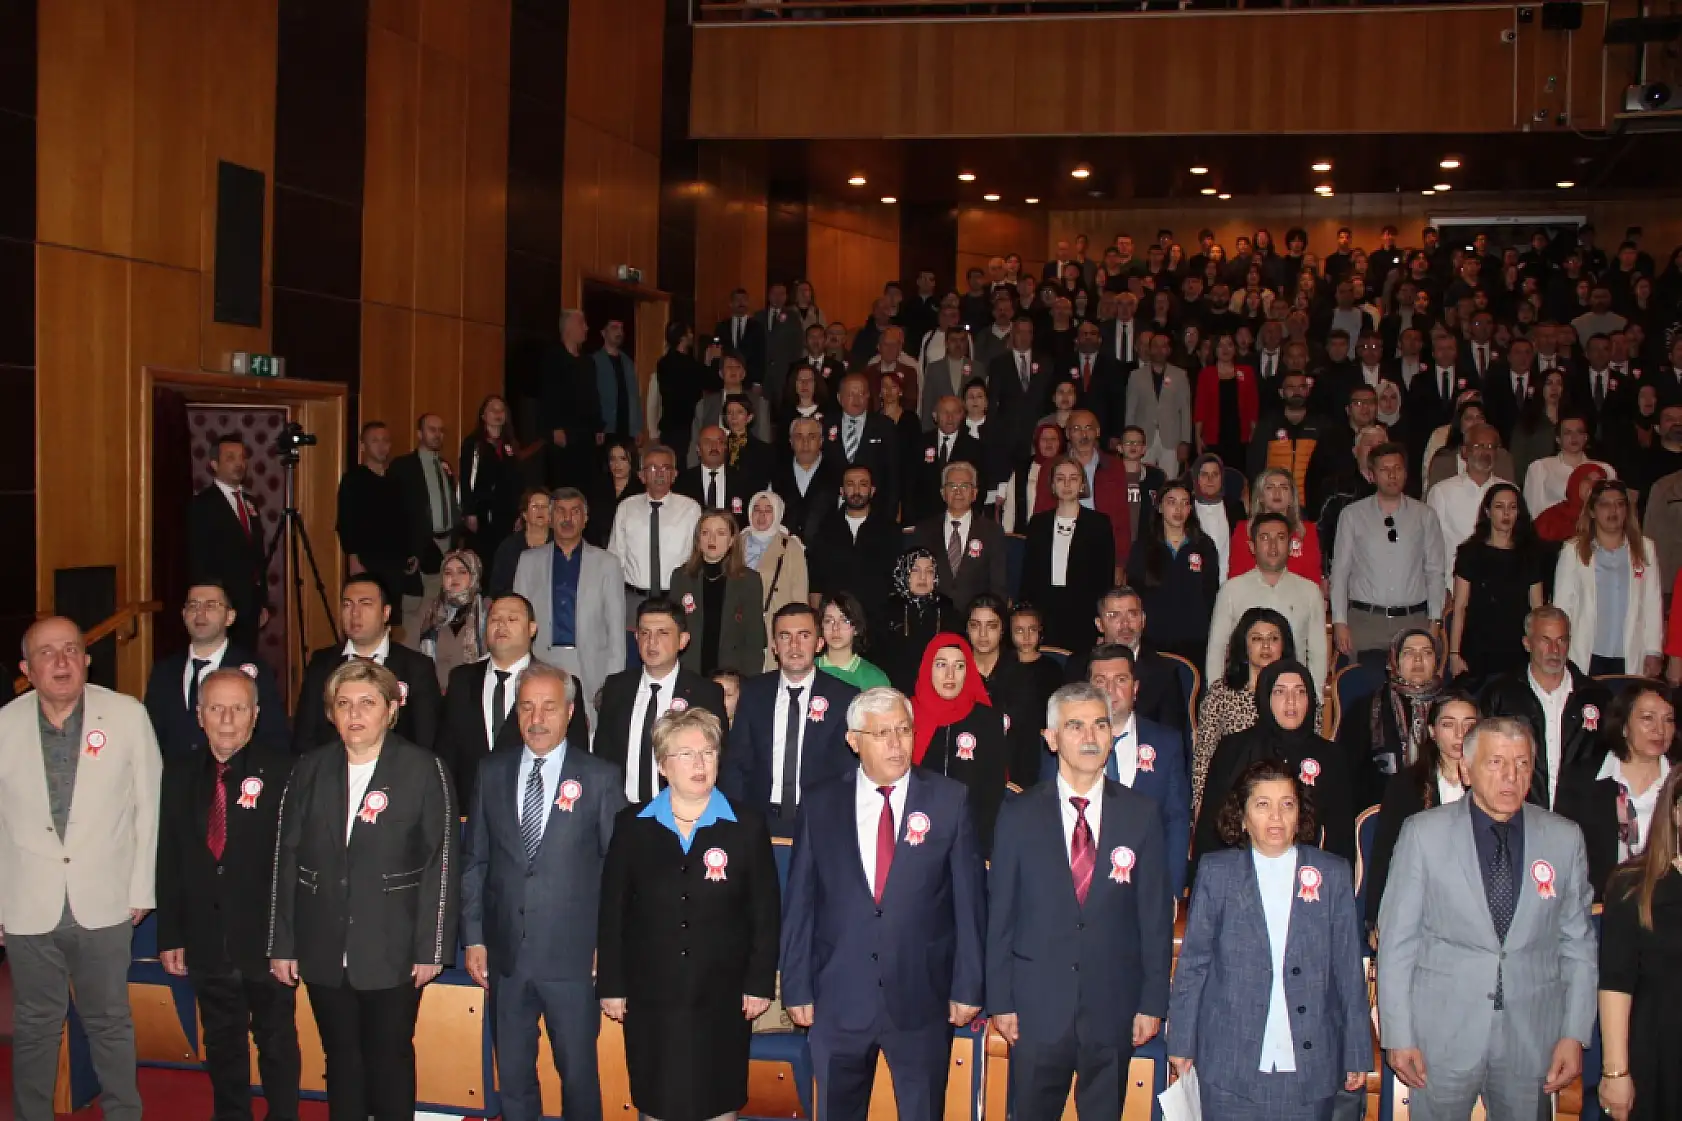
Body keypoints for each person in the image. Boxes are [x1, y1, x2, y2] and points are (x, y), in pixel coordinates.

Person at [779, 686, 985, 1121]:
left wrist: (968, 986)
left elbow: (969, 903)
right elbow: (801, 900)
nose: (896, 743)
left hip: (921, 999)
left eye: (903, 730)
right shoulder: (820, 803)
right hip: (838, 999)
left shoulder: (949, 800)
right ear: (854, 740)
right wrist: (796, 985)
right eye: (882, 733)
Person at [1376, 717, 1597, 1121]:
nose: (1511, 776)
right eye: (1495, 762)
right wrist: (1397, 1034)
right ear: (1466, 769)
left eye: (1523, 763)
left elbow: (1578, 944)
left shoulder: (1564, 839)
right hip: (1440, 1037)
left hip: (1532, 1038)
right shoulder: (1423, 834)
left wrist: (1574, 1033)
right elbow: (1396, 942)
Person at [267, 659, 458, 1121]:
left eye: (367, 703)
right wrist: (282, 943)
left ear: (391, 710)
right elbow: (286, 856)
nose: (354, 714)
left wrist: (432, 947)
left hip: (392, 944)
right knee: (341, 1060)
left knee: (389, 1057)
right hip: (322, 943)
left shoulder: (421, 769)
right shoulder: (309, 769)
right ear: (331, 712)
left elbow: (441, 862)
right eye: (344, 703)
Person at [988, 682, 1174, 1121]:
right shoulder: (1018, 814)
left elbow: (1153, 917)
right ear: (1051, 739)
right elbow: (1000, 915)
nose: (1090, 737)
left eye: (1099, 725)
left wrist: (1152, 1003)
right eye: (1075, 726)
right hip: (1036, 1011)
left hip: (1112, 1008)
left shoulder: (1141, 814)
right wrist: (1001, 999)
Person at [0, 617, 161, 1121]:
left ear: (87, 659)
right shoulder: (3, 724)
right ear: (27, 669)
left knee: (110, 1023)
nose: (62, 661)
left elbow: (148, 808)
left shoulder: (127, 715)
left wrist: (142, 889)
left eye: (71, 649)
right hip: (27, 905)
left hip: (107, 900)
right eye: (47, 653)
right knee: (34, 1026)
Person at [598, 706, 780, 1121]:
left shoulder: (746, 826)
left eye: (708, 752)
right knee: (656, 1100)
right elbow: (613, 913)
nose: (700, 764)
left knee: (718, 1101)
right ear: (663, 765)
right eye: (686, 754)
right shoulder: (632, 826)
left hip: (723, 995)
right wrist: (612, 983)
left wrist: (758, 982)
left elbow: (766, 912)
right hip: (651, 997)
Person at [460, 661, 624, 1121]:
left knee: (578, 1080)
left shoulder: (599, 777)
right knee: (511, 1079)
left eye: (549, 707)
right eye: (527, 706)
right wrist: (474, 935)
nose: (536, 718)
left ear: (570, 712)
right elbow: (476, 861)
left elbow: (619, 873)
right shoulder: (491, 772)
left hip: (573, 962)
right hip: (506, 959)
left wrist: (608, 948)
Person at [1170, 759, 1371, 1121]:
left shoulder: (1331, 873)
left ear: (1300, 814)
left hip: (1310, 1064)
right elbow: (1194, 964)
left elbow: (1347, 969)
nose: (1276, 817)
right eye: (1262, 804)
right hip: (1229, 1062)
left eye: (1287, 804)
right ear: (1243, 817)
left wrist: (1357, 1049)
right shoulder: (1217, 873)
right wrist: (1182, 1041)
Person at [155, 669, 299, 1121]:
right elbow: (170, 857)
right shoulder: (177, 775)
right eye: (216, 708)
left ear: (255, 715)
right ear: (200, 716)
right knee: (220, 1042)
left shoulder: (285, 772)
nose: (228, 719)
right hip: (205, 939)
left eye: (239, 708)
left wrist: (289, 940)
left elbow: (296, 864)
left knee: (276, 1042)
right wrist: (170, 934)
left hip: (266, 942)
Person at [1194, 659, 1355, 871]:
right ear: (1265, 697)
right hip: (1240, 871)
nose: (1291, 701)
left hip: (1308, 875)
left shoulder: (1331, 755)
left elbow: (1341, 838)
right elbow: (1211, 827)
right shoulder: (1234, 748)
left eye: (1300, 692)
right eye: (1280, 692)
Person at [437, 593, 588, 810]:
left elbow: (576, 757)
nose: (501, 625)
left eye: (512, 619)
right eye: (495, 619)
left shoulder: (557, 683)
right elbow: (446, 752)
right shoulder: (461, 680)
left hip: (534, 811)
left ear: (532, 628)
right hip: (469, 813)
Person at [1069, 644, 1193, 900]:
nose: (1110, 690)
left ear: (1135, 689)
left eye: (1120, 680)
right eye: (1101, 680)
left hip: (1147, 890)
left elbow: (1176, 820)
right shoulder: (1065, 743)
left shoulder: (1166, 744)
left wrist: (1170, 892)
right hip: (1081, 891)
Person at [722, 603, 859, 832]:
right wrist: (738, 819)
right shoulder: (754, 693)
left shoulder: (844, 697)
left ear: (819, 643)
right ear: (774, 646)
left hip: (821, 820)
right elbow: (736, 762)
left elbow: (847, 771)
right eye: (785, 637)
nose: (794, 645)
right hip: (760, 819)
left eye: (804, 636)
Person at [1596, 766, 1682, 1121]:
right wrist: (1615, 1072)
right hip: (1657, 1057)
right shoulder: (1633, 886)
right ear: (1675, 812)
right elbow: (1616, 982)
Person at [592, 598, 728, 805]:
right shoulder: (617, 687)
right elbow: (603, 753)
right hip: (621, 810)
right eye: (645, 633)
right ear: (636, 637)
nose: (651, 642)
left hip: (680, 811)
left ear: (682, 640)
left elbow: (719, 758)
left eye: (662, 633)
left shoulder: (705, 693)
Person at [512, 486, 624, 726]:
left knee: (589, 736)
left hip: (591, 664)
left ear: (585, 518)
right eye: (560, 512)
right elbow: (518, 622)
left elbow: (616, 631)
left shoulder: (607, 564)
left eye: (575, 512)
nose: (567, 518)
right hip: (542, 658)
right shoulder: (528, 561)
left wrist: (613, 683)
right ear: (551, 518)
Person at [292, 575, 441, 755]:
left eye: (365, 604)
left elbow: (426, 740)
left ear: (386, 613)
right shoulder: (322, 663)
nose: (355, 613)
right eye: (347, 605)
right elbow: (304, 736)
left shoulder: (416, 667)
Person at [1365, 691, 1477, 929]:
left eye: (1469, 725)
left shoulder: (1490, 786)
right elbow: (1385, 853)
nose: (1460, 734)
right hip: (1421, 906)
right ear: (1432, 732)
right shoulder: (1406, 785)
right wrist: (1376, 918)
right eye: (1449, 725)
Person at [1555, 682, 1676, 901]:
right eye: (1648, 718)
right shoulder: (1583, 779)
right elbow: (1561, 855)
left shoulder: (1677, 782)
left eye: (1668, 719)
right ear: (1623, 726)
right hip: (1599, 906)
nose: (1660, 729)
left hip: (1668, 906)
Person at [1330, 442, 1446, 658]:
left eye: (1398, 469)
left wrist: (1435, 620)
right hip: (1366, 622)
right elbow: (1340, 571)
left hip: (1413, 619)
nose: (1392, 475)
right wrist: (1339, 621)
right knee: (1364, 687)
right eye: (1385, 470)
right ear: (1371, 475)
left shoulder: (1425, 515)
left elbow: (1435, 570)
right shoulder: (1352, 515)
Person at [143, 581, 288, 755]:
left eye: (211, 606)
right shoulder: (164, 671)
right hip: (176, 777)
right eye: (193, 605)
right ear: (183, 614)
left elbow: (273, 736)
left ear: (230, 617)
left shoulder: (253, 670)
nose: (200, 614)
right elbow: (150, 736)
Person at [1205, 512, 1329, 692]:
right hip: (1242, 696)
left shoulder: (1310, 592)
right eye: (1264, 538)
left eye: (1280, 538)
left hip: (1291, 699)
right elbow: (1217, 650)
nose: (1273, 546)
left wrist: (1313, 701)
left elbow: (1318, 654)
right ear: (1252, 546)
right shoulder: (1231, 590)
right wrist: (1215, 696)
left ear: (1290, 545)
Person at [910, 634, 1010, 855]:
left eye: (959, 666)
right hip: (914, 836)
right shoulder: (906, 716)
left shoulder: (986, 719)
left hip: (970, 840)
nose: (950, 675)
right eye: (941, 665)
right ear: (928, 668)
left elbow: (992, 792)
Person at [1554, 479, 1665, 677]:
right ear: (1592, 511)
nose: (1613, 510)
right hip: (1586, 653)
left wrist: (1653, 650)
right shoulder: (1573, 551)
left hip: (1629, 653)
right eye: (1605, 504)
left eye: (1620, 504)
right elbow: (1562, 606)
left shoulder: (1645, 548)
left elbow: (1652, 602)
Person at [1192, 607, 1294, 813]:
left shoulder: (1298, 694)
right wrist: (1200, 805)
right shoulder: (1221, 692)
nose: (1266, 645)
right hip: (1230, 797)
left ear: (1284, 645)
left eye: (1273, 638)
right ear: (1244, 645)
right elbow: (1204, 755)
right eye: (1257, 638)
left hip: (1285, 797)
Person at [1447, 482, 1546, 685]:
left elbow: (1537, 609)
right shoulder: (1470, 552)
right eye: (1499, 507)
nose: (1506, 513)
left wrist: (1538, 650)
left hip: (1517, 648)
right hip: (1477, 647)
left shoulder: (1530, 554)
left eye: (1512, 507)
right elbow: (1460, 607)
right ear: (1487, 511)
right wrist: (1454, 654)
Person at [1018, 457, 1116, 657]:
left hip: (1083, 613)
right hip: (1044, 611)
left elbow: (1105, 578)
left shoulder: (1099, 524)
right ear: (1053, 485)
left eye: (1073, 478)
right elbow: (1028, 574)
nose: (1067, 484)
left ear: (1082, 484)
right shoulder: (1038, 524)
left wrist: (1103, 622)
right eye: (1060, 478)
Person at [1337, 628, 1445, 810]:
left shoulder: (1450, 706)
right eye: (1409, 653)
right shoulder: (1366, 709)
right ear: (1394, 661)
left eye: (1426, 653)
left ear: (1436, 662)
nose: (1418, 660)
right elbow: (1347, 774)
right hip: (1381, 808)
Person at [1064, 585, 1189, 735]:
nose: (1125, 624)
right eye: (1114, 615)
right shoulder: (1078, 665)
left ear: (1143, 620)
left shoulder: (1165, 672)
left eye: (1132, 614)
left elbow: (1171, 736)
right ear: (1099, 624)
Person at [187, 433, 269, 651]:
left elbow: (257, 555)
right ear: (214, 464)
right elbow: (199, 558)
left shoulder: (250, 503)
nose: (239, 464)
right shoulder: (202, 504)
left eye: (242, 458)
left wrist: (262, 601)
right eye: (230, 458)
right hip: (222, 601)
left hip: (250, 604)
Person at [608, 444, 703, 630]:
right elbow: (615, 558)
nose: (659, 473)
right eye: (652, 468)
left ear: (674, 474)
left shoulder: (691, 509)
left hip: (676, 598)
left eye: (665, 468)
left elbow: (698, 557)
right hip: (635, 599)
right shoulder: (627, 507)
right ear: (642, 475)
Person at [1125, 481, 1220, 663]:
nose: (1178, 509)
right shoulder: (1143, 547)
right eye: (1172, 502)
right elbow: (1134, 594)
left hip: (1195, 641)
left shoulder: (1204, 546)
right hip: (1153, 640)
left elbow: (1211, 594)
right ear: (1160, 507)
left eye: (1184, 503)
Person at [389, 413, 462, 643]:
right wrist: (408, 549)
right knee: (415, 611)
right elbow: (396, 512)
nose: (438, 434)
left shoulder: (445, 466)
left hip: (446, 544)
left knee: (440, 609)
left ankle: (432, 659)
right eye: (432, 429)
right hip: (419, 547)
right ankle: (409, 659)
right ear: (419, 434)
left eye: (441, 430)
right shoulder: (403, 466)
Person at [668, 510, 766, 679]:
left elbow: (754, 639)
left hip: (731, 674)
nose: (712, 540)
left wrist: (750, 681)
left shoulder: (749, 580)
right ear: (698, 540)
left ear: (732, 540)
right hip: (689, 671)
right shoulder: (680, 577)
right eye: (706, 533)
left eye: (720, 533)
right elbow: (672, 630)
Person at [806, 465, 901, 630]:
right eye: (850, 484)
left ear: (872, 490)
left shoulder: (889, 530)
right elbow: (816, 581)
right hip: (835, 621)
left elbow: (896, 579)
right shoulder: (825, 529)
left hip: (878, 623)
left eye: (863, 484)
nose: (856, 490)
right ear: (842, 491)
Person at [910, 460, 1008, 614]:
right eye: (952, 486)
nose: (958, 492)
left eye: (964, 486)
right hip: (933, 617)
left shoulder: (992, 532)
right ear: (943, 493)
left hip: (975, 621)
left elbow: (998, 586)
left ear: (974, 493)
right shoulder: (924, 530)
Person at [337, 420, 412, 610]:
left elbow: (405, 518)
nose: (381, 446)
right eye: (375, 441)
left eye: (385, 441)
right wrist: (353, 558)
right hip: (367, 560)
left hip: (394, 560)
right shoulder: (353, 480)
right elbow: (346, 522)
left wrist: (409, 552)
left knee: (391, 615)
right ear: (363, 446)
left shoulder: (396, 479)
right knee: (367, 612)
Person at [739, 490, 808, 670]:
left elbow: (799, 593)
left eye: (768, 510)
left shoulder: (790, 546)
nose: (761, 516)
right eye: (757, 509)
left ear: (778, 513)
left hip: (773, 622)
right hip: (739, 622)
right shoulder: (737, 542)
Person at [877, 548, 959, 694]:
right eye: (915, 570)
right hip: (895, 689)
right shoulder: (889, 609)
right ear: (904, 573)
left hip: (937, 688)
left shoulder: (947, 608)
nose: (923, 577)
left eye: (929, 571)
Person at [822, 373, 902, 520]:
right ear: (840, 398)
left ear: (869, 396)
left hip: (876, 511)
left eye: (862, 393)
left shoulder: (885, 426)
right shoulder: (824, 425)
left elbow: (893, 473)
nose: (857, 399)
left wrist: (891, 512)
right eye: (851, 394)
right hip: (831, 511)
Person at [458, 395, 525, 570]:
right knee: (484, 560)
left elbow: (518, 481)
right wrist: (469, 511)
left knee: (506, 560)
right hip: (482, 514)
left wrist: (520, 511)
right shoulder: (473, 444)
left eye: (501, 410)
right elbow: (466, 480)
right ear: (483, 416)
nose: (498, 413)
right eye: (492, 409)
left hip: (507, 513)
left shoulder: (510, 445)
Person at [1229, 467, 1323, 584]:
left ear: (1291, 498)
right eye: (1270, 487)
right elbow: (1235, 578)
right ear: (1261, 497)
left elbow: (1313, 579)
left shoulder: (1306, 531)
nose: (1277, 492)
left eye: (1284, 488)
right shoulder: (1244, 530)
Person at [544, 308, 604, 489]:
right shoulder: (554, 357)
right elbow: (548, 394)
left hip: (586, 433)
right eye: (582, 323)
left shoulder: (588, 362)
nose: (586, 328)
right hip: (565, 432)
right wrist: (554, 427)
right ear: (569, 327)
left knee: (586, 483)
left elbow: (594, 395)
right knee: (564, 482)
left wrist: (598, 426)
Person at [416, 549, 486, 689]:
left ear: (474, 575)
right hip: (433, 694)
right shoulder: (429, 612)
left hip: (474, 694)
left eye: (462, 572)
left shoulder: (486, 614)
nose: (454, 578)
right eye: (448, 573)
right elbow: (414, 659)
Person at [1128, 330, 1193, 474]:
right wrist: (1129, 439)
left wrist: (1185, 441)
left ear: (1169, 350)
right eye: (1155, 346)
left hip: (1171, 439)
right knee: (1142, 478)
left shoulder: (1180, 375)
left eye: (1163, 346)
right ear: (1149, 349)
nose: (1159, 350)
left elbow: (1185, 410)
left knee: (1169, 480)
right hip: (1143, 438)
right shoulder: (1136, 376)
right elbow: (1130, 410)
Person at [771, 416, 843, 544]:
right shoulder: (776, 473)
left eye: (812, 437)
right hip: (785, 552)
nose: (805, 443)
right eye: (799, 437)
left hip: (826, 552)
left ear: (821, 441)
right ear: (790, 441)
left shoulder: (837, 474)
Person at [816, 592, 892, 692]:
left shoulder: (874, 678)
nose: (835, 628)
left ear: (856, 628)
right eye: (828, 621)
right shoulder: (807, 670)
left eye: (845, 621)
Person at [1000, 422, 1065, 534]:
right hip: (1027, 534)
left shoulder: (1068, 468)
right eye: (1044, 439)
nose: (1049, 443)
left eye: (1053, 439)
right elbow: (1010, 507)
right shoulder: (1022, 470)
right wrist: (1008, 536)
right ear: (1037, 443)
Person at [490, 487, 553, 597]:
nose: (540, 510)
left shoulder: (562, 545)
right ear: (524, 514)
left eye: (545, 507)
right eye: (535, 506)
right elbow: (498, 587)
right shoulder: (509, 547)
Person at [587, 436, 643, 550]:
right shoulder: (597, 487)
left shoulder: (641, 490)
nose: (617, 465)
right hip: (597, 549)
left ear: (632, 460)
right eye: (613, 459)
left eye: (623, 459)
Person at [678, 425, 749, 515]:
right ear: (698, 449)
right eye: (707, 442)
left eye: (719, 441)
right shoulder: (682, 482)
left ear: (726, 447)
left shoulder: (742, 480)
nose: (714, 447)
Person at [593, 318, 642, 443]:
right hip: (606, 429)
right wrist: (597, 427)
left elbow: (634, 397)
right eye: (614, 328)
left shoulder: (628, 362)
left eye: (621, 328)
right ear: (603, 333)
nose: (619, 332)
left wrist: (636, 428)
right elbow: (592, 397)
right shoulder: (595, 361)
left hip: (626, 429)